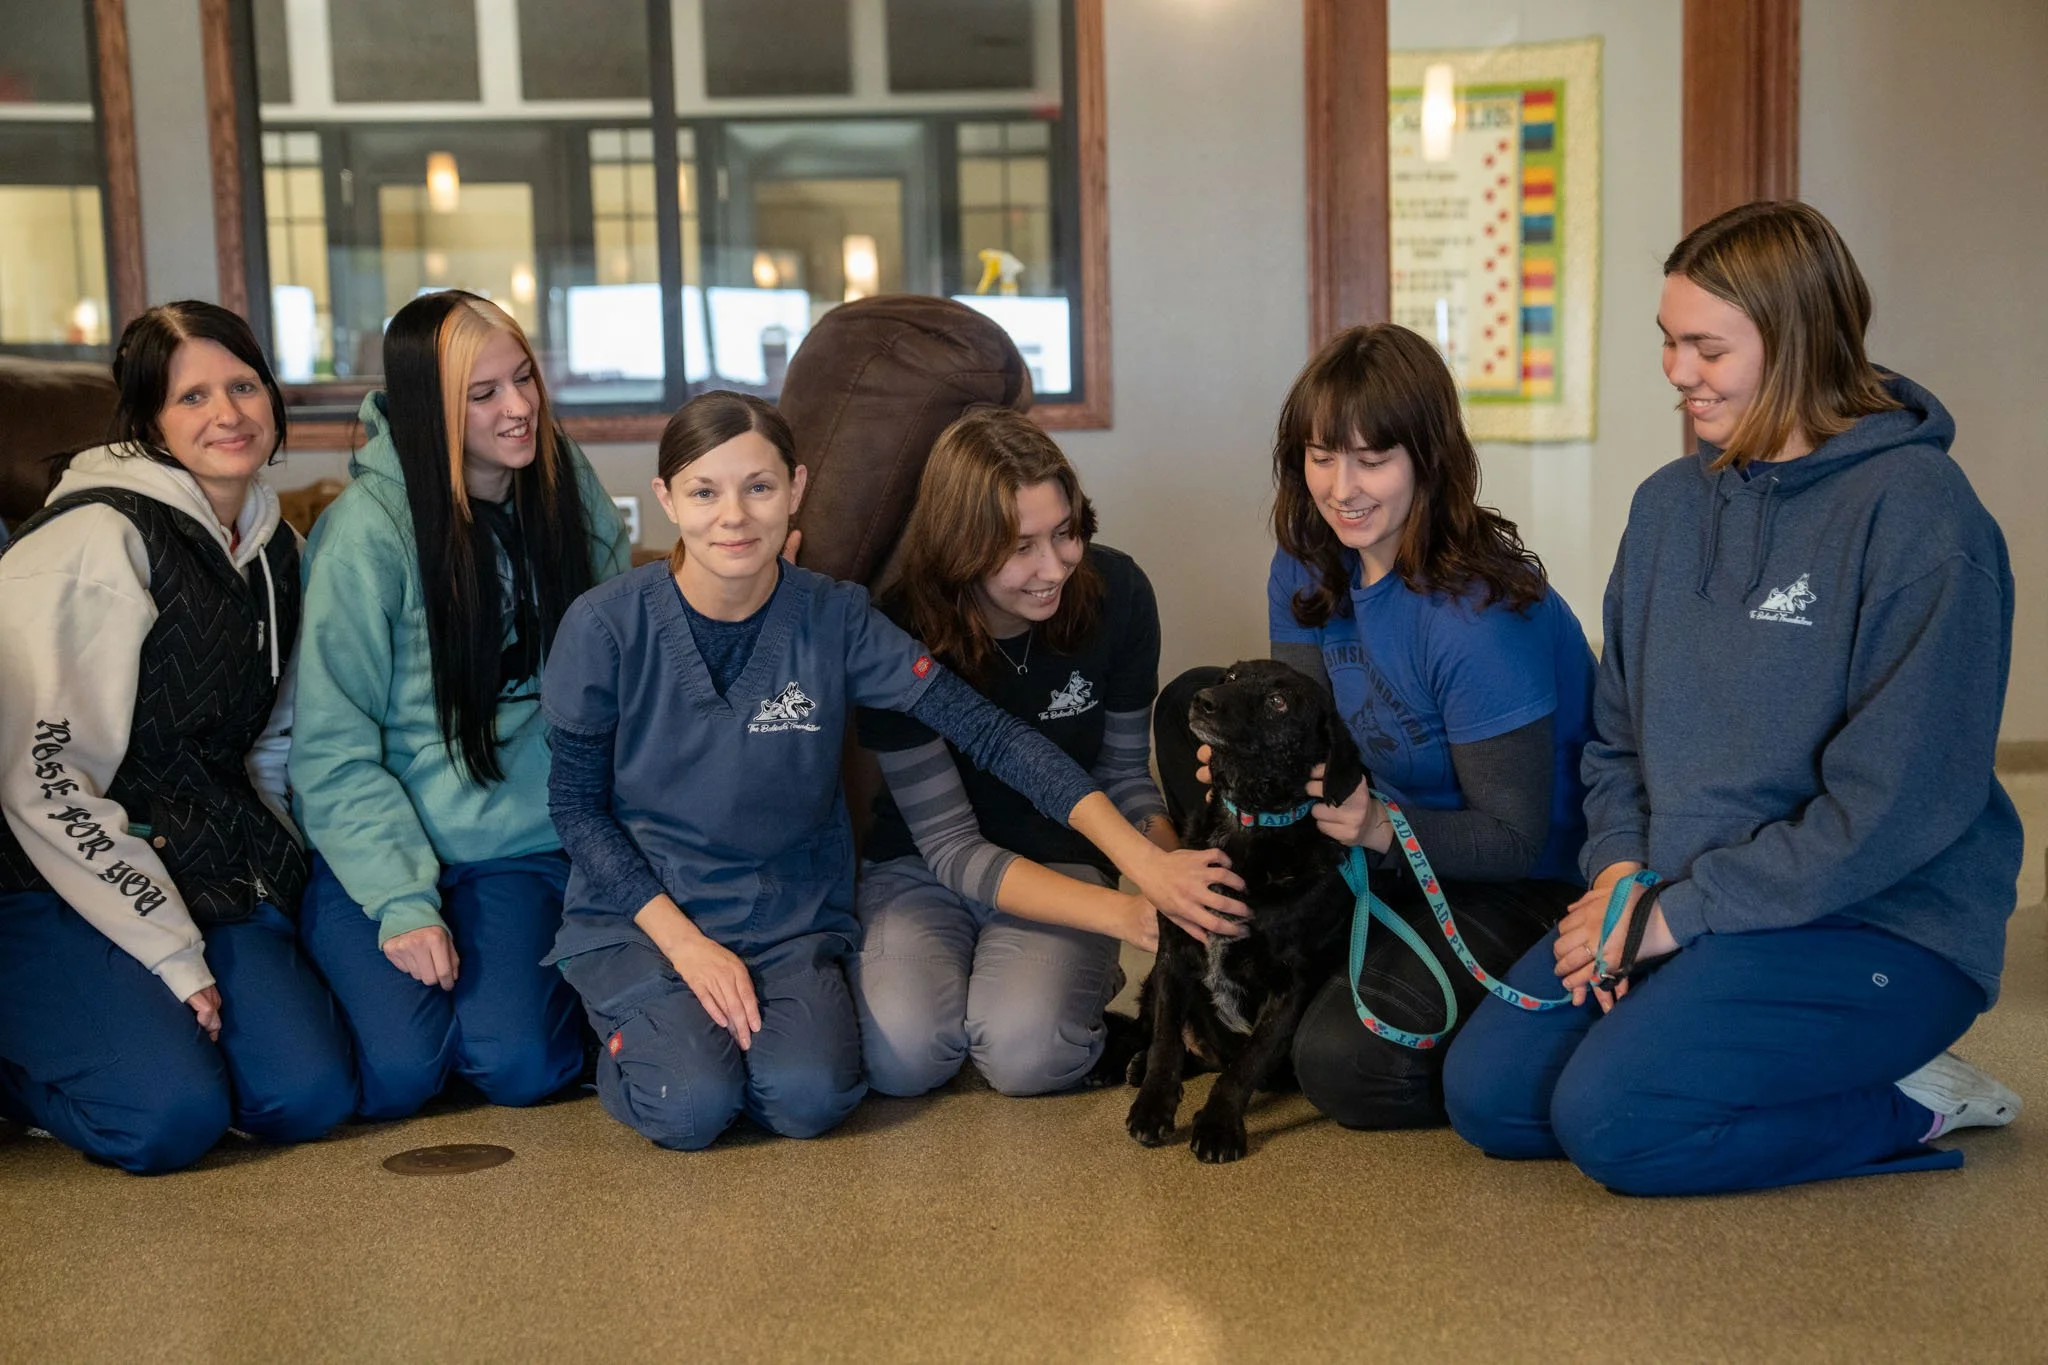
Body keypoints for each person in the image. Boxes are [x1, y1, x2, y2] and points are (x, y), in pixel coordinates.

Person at [1442, 199, 2024, 1196]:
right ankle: (1746, 1044)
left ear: (1795, 343)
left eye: (1705, 348)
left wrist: (1675, 919)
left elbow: (1893, 808)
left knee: (1615, 1125)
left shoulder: (1923, 520)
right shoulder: (1666, 507)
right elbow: (1615, 741)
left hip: (1878, 924)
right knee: (1490, 1097)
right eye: (1666, 342)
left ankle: (1912, 1096)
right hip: (1681, 901)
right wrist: (1621, 875)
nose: (1675, 372)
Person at [542, 391, 1241, 1151]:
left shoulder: (836, 617)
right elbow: (576, 811)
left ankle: (705, 1039)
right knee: (693, 1102)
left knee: (812, 1098)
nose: (734, 516)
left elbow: (992, 735)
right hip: (652, 917)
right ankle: (636, 1040)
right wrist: (684, 945)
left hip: (784, 918)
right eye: (705, 491)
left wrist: (1145, 863)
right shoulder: (604, 626)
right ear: (666, 499)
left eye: (760, 487)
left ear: (797, 490)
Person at [1153, 322, 1597, 1129]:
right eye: (1322, 456)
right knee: (1193, 705)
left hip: (1519, 875)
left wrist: (1381, 827)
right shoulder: (1306, 556)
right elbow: (1312, 735)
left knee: (1339, 1064)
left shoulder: (1480, 620)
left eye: (1372, 458)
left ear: (1429, 457)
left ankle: (1525, 1035)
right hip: (1364, 839)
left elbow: (1513, 840)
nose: (1341, 487)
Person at [0, 301, 355, 1172]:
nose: (227, 413)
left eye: (242, 385)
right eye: (191, 397)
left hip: (203, 859)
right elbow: (43, 782)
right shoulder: (93, 541)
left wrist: (286, 876)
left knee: (305, 1095)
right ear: (147, 419)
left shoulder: (279, 549)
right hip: (48, 875)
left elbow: (270, 746)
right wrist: (171, 951)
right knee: (167, 1119)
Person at [291, 291, 630, 1119]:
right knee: (402, 1073)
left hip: (530, 841)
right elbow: (332, 750)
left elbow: (627, 652)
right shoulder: (367, 533)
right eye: (483, 394)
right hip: (397, 839)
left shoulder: (562, 480)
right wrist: (404, 902)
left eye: (524, 379)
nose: (518, 408)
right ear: (427, 405)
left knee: (517, 1065)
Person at [852, 409, 1226, 1097]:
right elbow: (951, 847)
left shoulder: (1121, 595)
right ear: (960, 546)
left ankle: (1047, 994)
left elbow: (1120, 773)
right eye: (1019, 547)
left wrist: (1167, 870)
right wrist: (1130, 915)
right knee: (903, 1058)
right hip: (923, 868)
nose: (1052, 568)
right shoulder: (896, 628)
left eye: (1065, 533)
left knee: (1029, 1057)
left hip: (1063, 861)